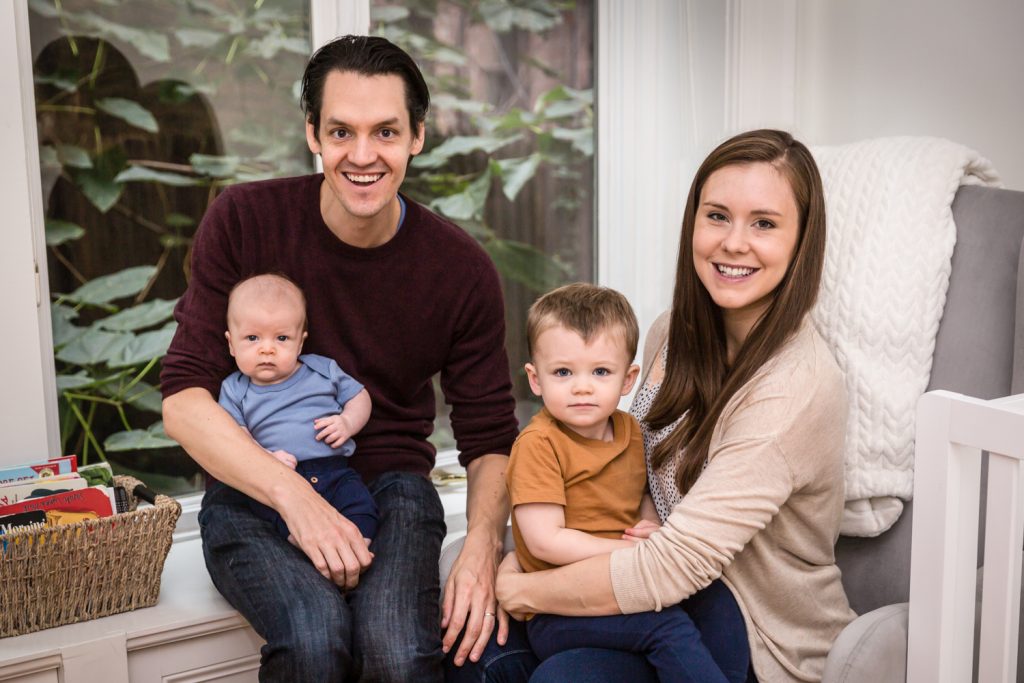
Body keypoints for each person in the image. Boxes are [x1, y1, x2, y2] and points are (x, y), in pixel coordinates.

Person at [161, 35, 519, 682]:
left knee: (399, 655)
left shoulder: (460, 269)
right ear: (312, 134)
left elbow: (489, 435)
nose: (362, 155)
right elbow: (185, 400)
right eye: (340, 131)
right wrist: (294, 496)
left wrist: (483, 547)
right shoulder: (243, 220)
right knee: (314, 639)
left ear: (417, 136)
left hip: (393, 487)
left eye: (386, 131)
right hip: (255, 490)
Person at [494, 129, 856, 683]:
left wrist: (524, 589)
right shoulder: (670, 333)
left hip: (751, 627)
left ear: (802, 241)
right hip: (650, 586)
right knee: (478, 659)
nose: (733, 243)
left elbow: (677, 563)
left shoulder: (795, 389)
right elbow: (632, 473)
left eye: (764, 223)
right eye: (717, 216)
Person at [507, 282, 749, 682]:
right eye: (563, 372)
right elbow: (544, 541)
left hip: (623, 582)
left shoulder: (630, 431)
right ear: (535, 379)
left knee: (716, 597)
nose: (582, 386)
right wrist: (629, 553)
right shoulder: (539, 445)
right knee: (665, 627)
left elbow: (638, 494)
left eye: (601, 371)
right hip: (558, 609)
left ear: (628, 379)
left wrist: (648, 526)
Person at [218, 273, 377, 544]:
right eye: (252, 338)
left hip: (333, 471)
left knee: (360, 505)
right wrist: (265, 459)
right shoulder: (234, 389)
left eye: (281, 338)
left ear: (300, 342)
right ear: (232, 343)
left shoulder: (322, 369)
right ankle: (304, 544)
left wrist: (347, 422)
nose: (267, 349)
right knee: (272, 515)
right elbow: (236, 437)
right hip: (278, 479)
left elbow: (360, 397)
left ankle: (359, 544)